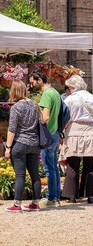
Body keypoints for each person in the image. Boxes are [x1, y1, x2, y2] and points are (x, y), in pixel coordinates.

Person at [4, 80, 41, 212]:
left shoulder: (16, 108)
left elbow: (12, 129)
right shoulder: (35, 105)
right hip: (35, 143)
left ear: (14, 91)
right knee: (35, 174)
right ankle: (35, 203)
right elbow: (40, 122)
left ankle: (17, 205)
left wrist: (8, 148)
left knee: (20, 175)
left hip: (20, 143)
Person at [29, 69, 61, 208]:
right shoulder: (55, 92)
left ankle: (51, 198)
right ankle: (56, 197)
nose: (31, 86)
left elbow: (45, 117)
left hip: (47, 135)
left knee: (49, 168)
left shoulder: (47, 94)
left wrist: (36, 128)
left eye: (32, 82)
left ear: (39, 80)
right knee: (54, 168)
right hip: (55, 134)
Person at [60, 75, 93, 204]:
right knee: (90, 165)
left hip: (74, 132)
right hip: (91, 132)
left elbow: (64, 118)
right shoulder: (91, 97)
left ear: (72, 87)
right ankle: (90, 195)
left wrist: (62, 131)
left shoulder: (69, 100)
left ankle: (71, 196)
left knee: (73, 164)